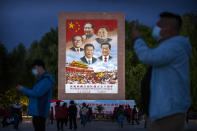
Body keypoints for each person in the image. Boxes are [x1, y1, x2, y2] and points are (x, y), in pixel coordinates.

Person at [131, 12, 192, 131]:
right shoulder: (173, 46)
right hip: (164, 111)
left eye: (159, 25)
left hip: (168, 113)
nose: (156, 28)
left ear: (168, 29)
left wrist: (137, 39)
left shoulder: (174, 46)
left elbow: (147, 56)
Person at [16, 59, 55, 131]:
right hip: (37, 113)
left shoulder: (46, 80)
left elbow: (37, 93)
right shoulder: (40, 80)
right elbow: (34, 93)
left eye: (34, 68)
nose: (33, 70)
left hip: (40, 112)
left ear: (40, 67)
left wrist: (23, 89)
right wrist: (24, 91)